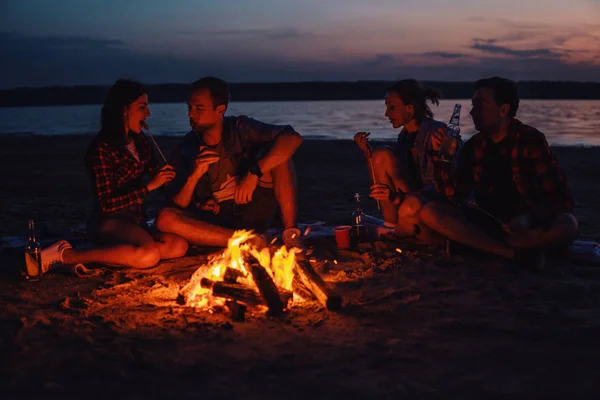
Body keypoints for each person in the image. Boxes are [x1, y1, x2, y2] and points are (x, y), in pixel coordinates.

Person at [420, 76, 578, 268]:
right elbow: (454, 196)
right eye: (473, 105)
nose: (472, 112)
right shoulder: (475, 146)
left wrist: (529, 218)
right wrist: (442, 158)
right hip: (489, 222)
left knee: (568, 224)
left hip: (526, 224)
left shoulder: (530, 140)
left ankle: (504, 245)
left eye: (480, 105)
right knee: (430, 213)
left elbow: (560, 199)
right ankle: (510, 253)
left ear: (503, 109)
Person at [40, 79, 189, 272]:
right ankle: (67, 255)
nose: (148, 114)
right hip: (109, 221)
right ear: (124, 110)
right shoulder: (101, 148)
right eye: (142, 107)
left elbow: (155, 171)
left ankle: (114, 253)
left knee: (178, 246)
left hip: (136, 219)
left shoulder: (140, 141)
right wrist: (148, 187)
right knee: (150, 255)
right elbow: (106, 203)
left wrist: (171, 171)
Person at [155, 77, 305, 251]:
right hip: (218, 225)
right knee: (164, 219)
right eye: (189, 108)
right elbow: (177, 205)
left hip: (254, 210)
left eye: (198, 108)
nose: (190, 114)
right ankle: (248, 242)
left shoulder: (239, 128)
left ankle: (291, 234)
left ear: (220, 110)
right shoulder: (186, 147)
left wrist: (254, 173)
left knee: (280, 156)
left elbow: (292, 138)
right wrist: (195, 177)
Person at [354, 79, 455, 241]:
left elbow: (443, 186)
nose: (387, 114)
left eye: (392, 107)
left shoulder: (438, 133)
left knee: (383, 154)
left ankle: (398, 230)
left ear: (410, 108)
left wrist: (398, 197)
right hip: (410, 201)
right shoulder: (405, 137)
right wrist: (368, 155)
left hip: (431, 207)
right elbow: (386, 180)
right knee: (381, 155)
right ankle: (391, 225)